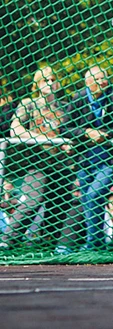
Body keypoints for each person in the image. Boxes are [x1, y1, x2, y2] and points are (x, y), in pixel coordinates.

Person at [60, 65, 113, 250]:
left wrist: (104, 134)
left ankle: (93, 244)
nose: (102, 82)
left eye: (104, 78)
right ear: (88, 82)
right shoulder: (79, 98)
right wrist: (86, 133)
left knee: (95, 194)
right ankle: (96, 241)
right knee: (87, 198)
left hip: (111, 158)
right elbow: (65, 128)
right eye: (97, 80)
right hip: (85, 158)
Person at [1, 65, 73, 249]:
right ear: (37, 84)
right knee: (34, 199)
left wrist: (67, 143)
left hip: (62, 165)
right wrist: (44, 139)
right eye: (45, 80)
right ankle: (8, 239)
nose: (50, 83)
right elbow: (15, 129)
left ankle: (49, 245)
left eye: (53, 79)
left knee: (59, 206)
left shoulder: (65, 107)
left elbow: (70, 132)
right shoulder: (29, 104)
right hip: (38, 162)